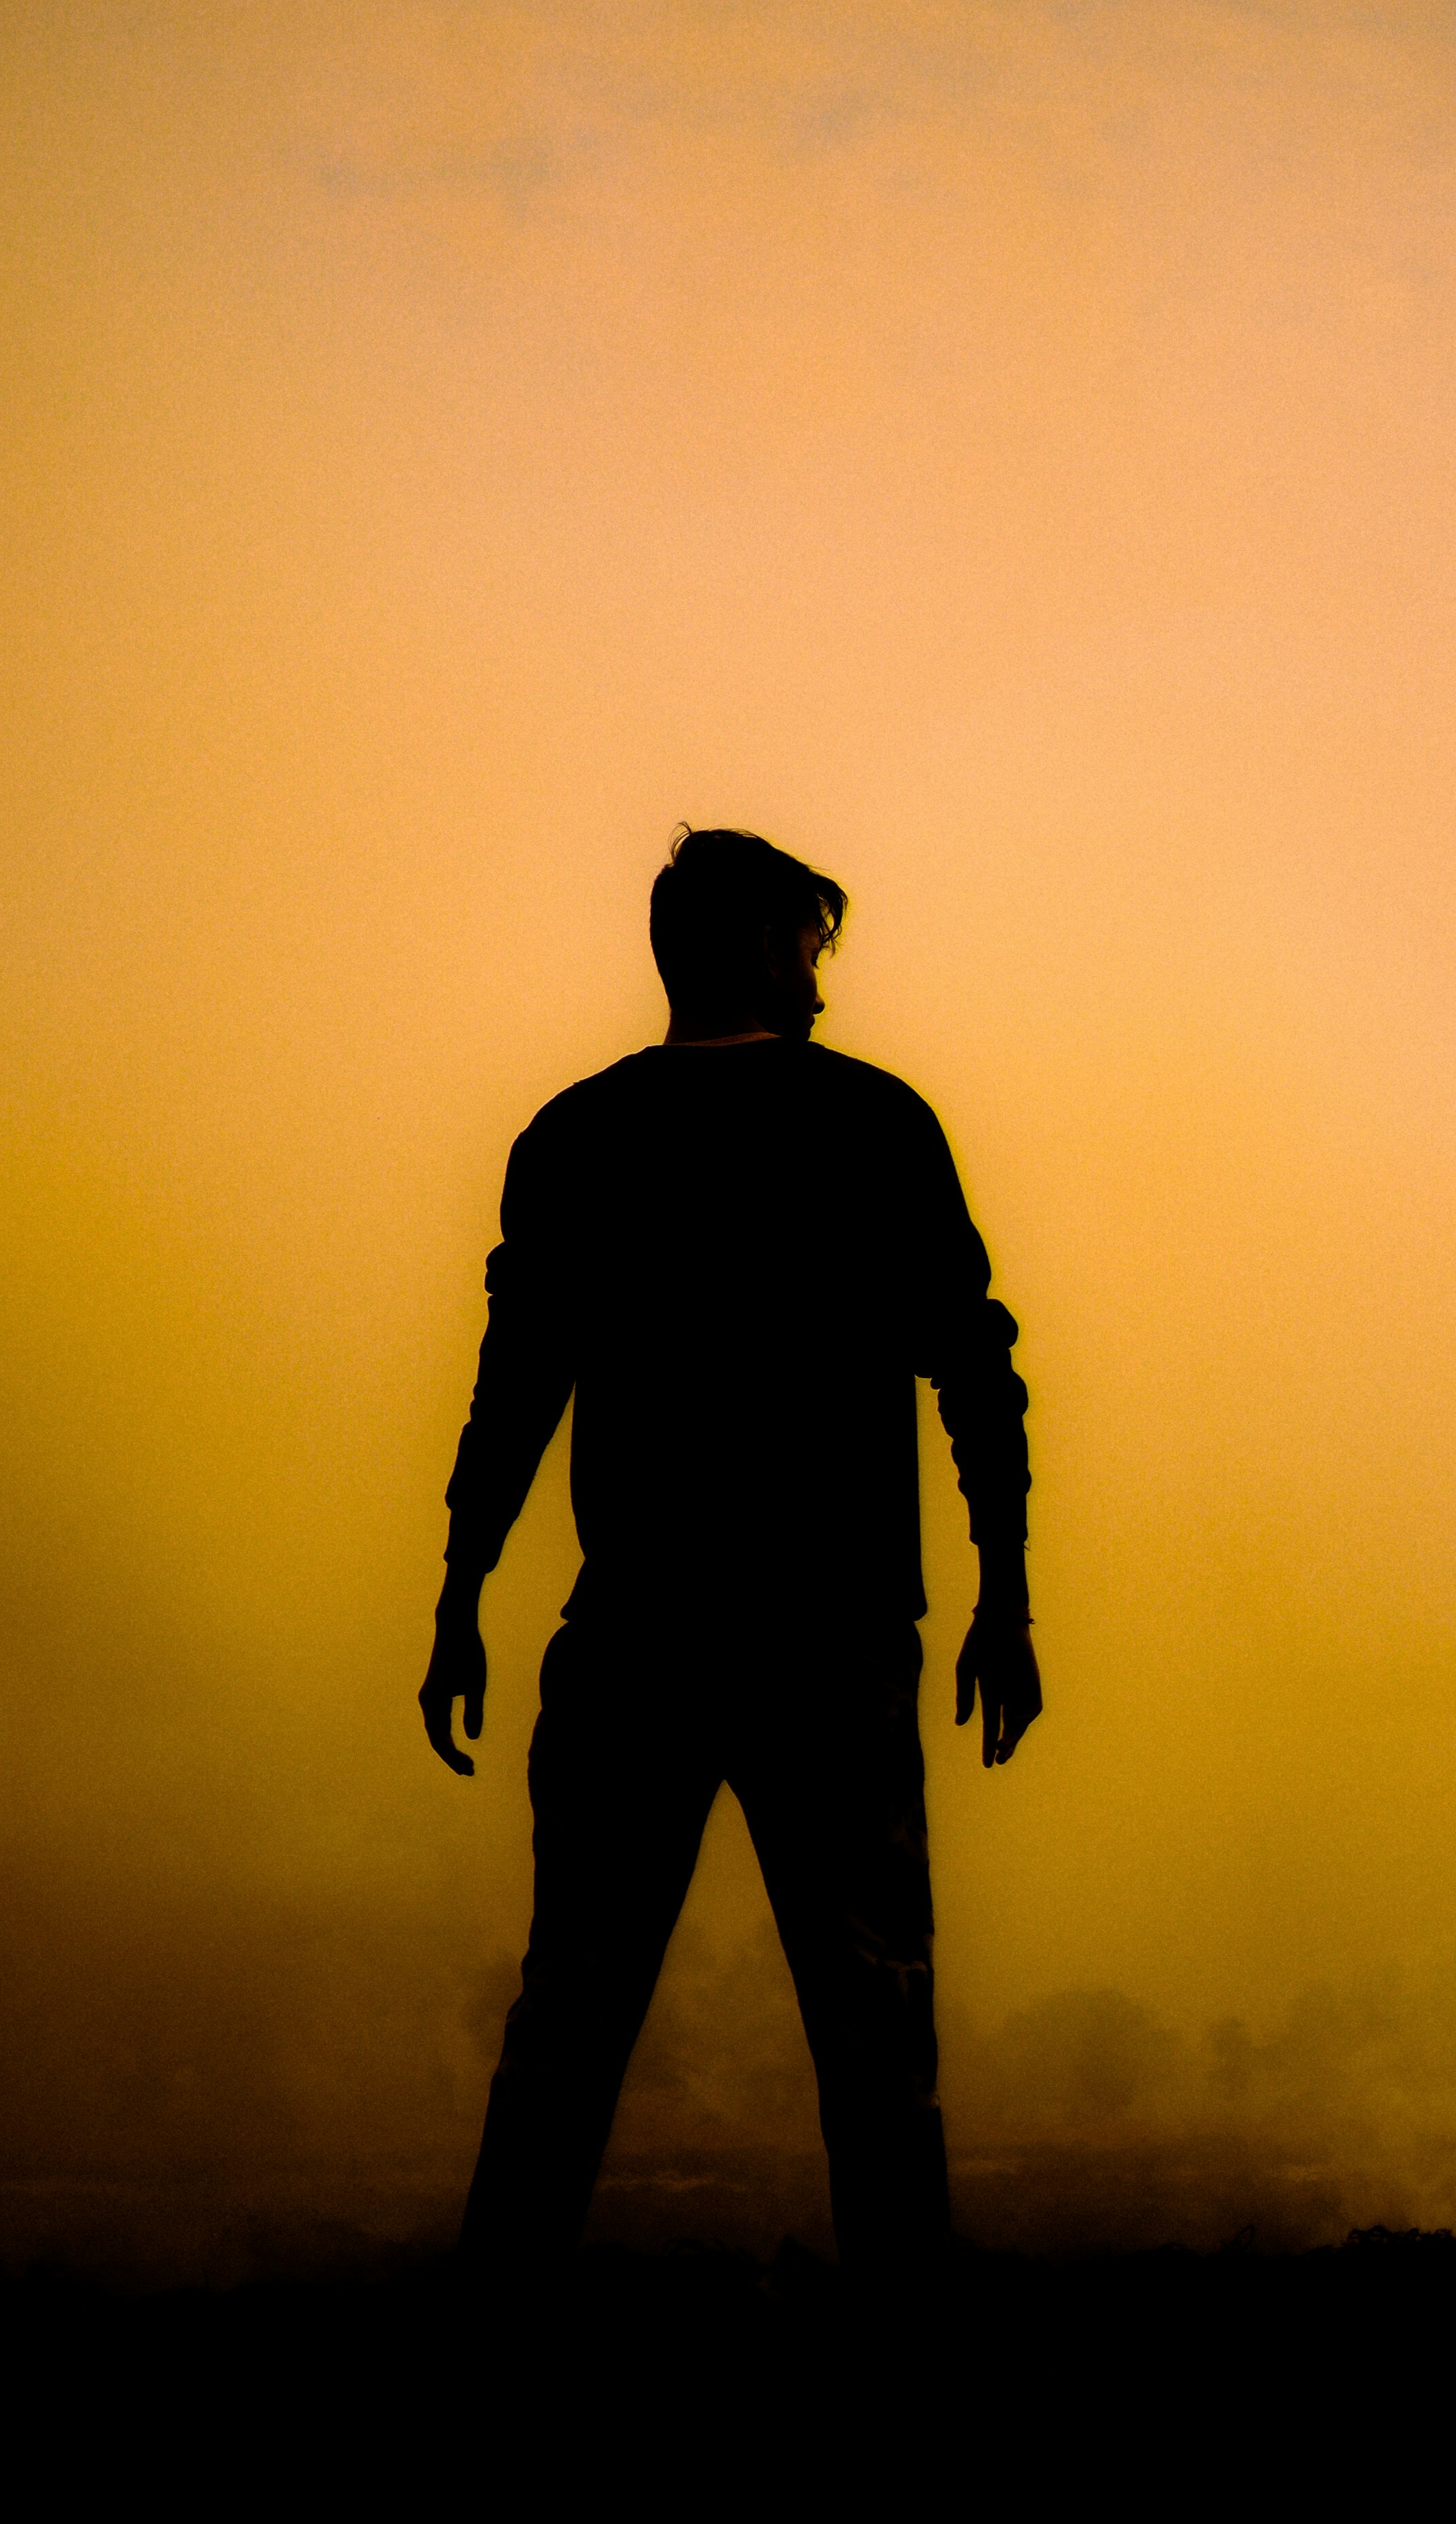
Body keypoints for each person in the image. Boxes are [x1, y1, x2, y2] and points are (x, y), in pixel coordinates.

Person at [418, 825, 1041, 2272]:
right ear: (761, 946)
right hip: (829, 1638)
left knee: (567, 2019)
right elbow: (972, 1368)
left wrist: (461, 1586)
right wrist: (1001, 1592)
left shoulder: (576, 1137)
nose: (821, 985)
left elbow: (518, 1383)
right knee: (875, 2029)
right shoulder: (874, 1124)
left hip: (634, 1631)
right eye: (808, 949)